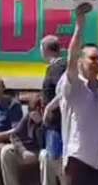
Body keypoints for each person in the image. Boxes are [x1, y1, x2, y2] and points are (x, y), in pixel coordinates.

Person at [59, 3, 98, 185]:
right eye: (92, 58)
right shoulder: (75, 86)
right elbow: (71, 57)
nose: (97, 62)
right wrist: (79, 25)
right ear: (81, 61)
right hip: (78, 159)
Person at [0, 94, 45, 185]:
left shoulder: (48, 120)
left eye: (39, 110)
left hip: (41, 151)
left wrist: (40, 124)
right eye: (33, 111)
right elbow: (15, 135)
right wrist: (23, 151)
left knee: (45, 155)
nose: (35, 115)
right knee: (6, 151)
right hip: (27, 150)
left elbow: (45, 142)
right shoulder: (28, 118)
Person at [39, 35, 66, 185]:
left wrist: (49, 107)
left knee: (56, 160)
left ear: (45, 49)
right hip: (53, 123)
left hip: (56, 123)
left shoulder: (58, 67)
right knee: (52, 159)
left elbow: (64, 91)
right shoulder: (57, 66)